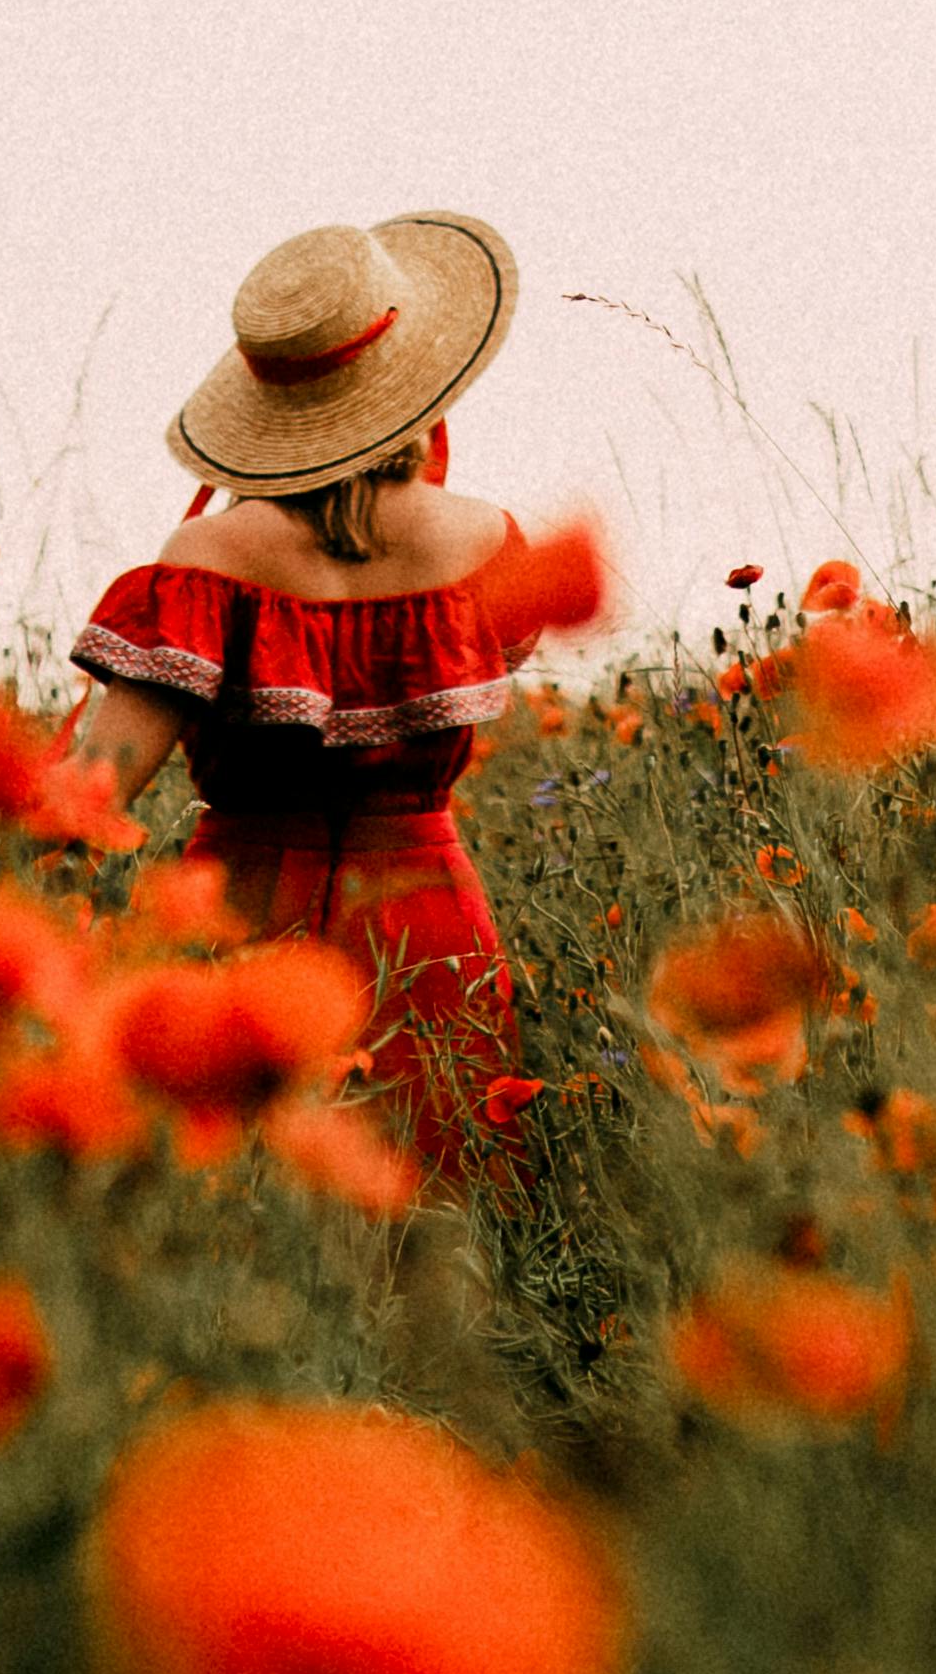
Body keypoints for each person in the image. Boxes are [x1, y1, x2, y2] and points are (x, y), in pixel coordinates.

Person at [62, 211, 566, 1175]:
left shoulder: (208, 558)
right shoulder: (488, 543)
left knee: (248, 1239)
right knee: (429, 1228)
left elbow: (91, 794)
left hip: (243, 927)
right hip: (431, 927)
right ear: (415, 384)